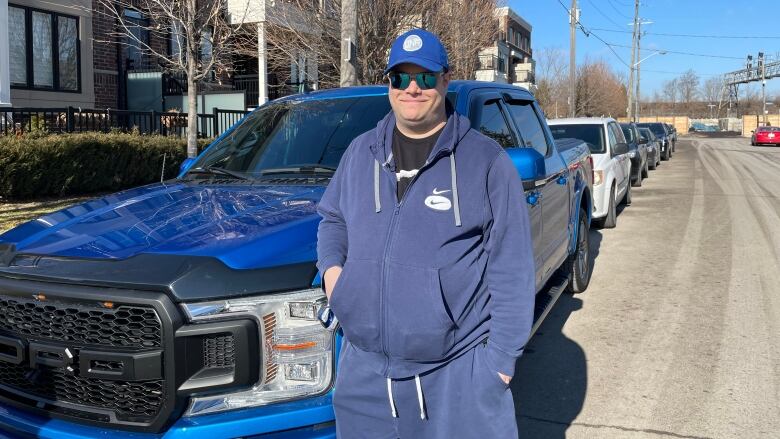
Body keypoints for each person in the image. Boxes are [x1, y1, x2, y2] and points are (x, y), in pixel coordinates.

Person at [316, 28, 535, 439]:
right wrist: (333, 276)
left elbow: (513, 267)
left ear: (445, 80)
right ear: (389, 84)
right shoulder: (359, 153)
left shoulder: (485, 163)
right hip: (364, 377)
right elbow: (333, 218)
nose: (412, 87)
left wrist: (500, 365)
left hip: (455, 379)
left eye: (426, 77)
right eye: (401, 77)